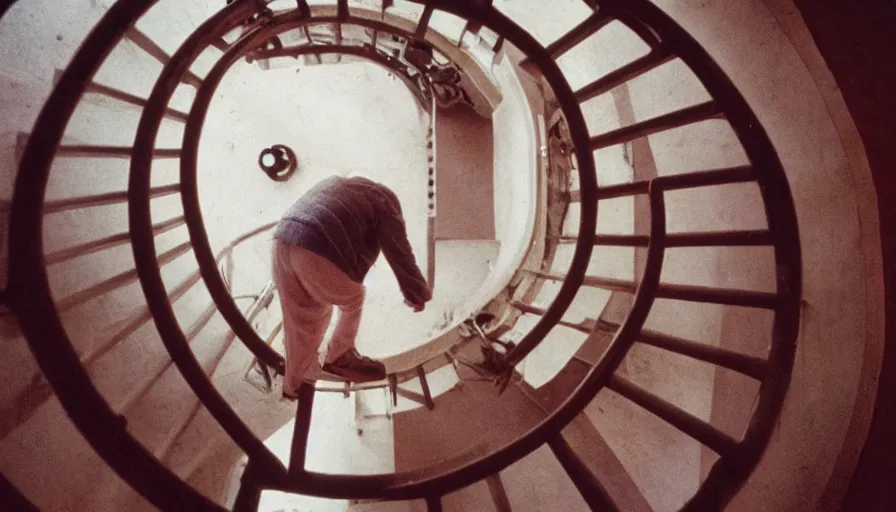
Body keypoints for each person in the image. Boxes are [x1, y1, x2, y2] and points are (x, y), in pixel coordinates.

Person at [272, 175, 432, 398]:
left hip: (282, 239)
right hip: (315, 244)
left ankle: (294, 385)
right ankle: (339, 355)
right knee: (353, 298)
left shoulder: (336, 184)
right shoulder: (384, 201)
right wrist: (416, 292)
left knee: (303, 319)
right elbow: (398, 248)